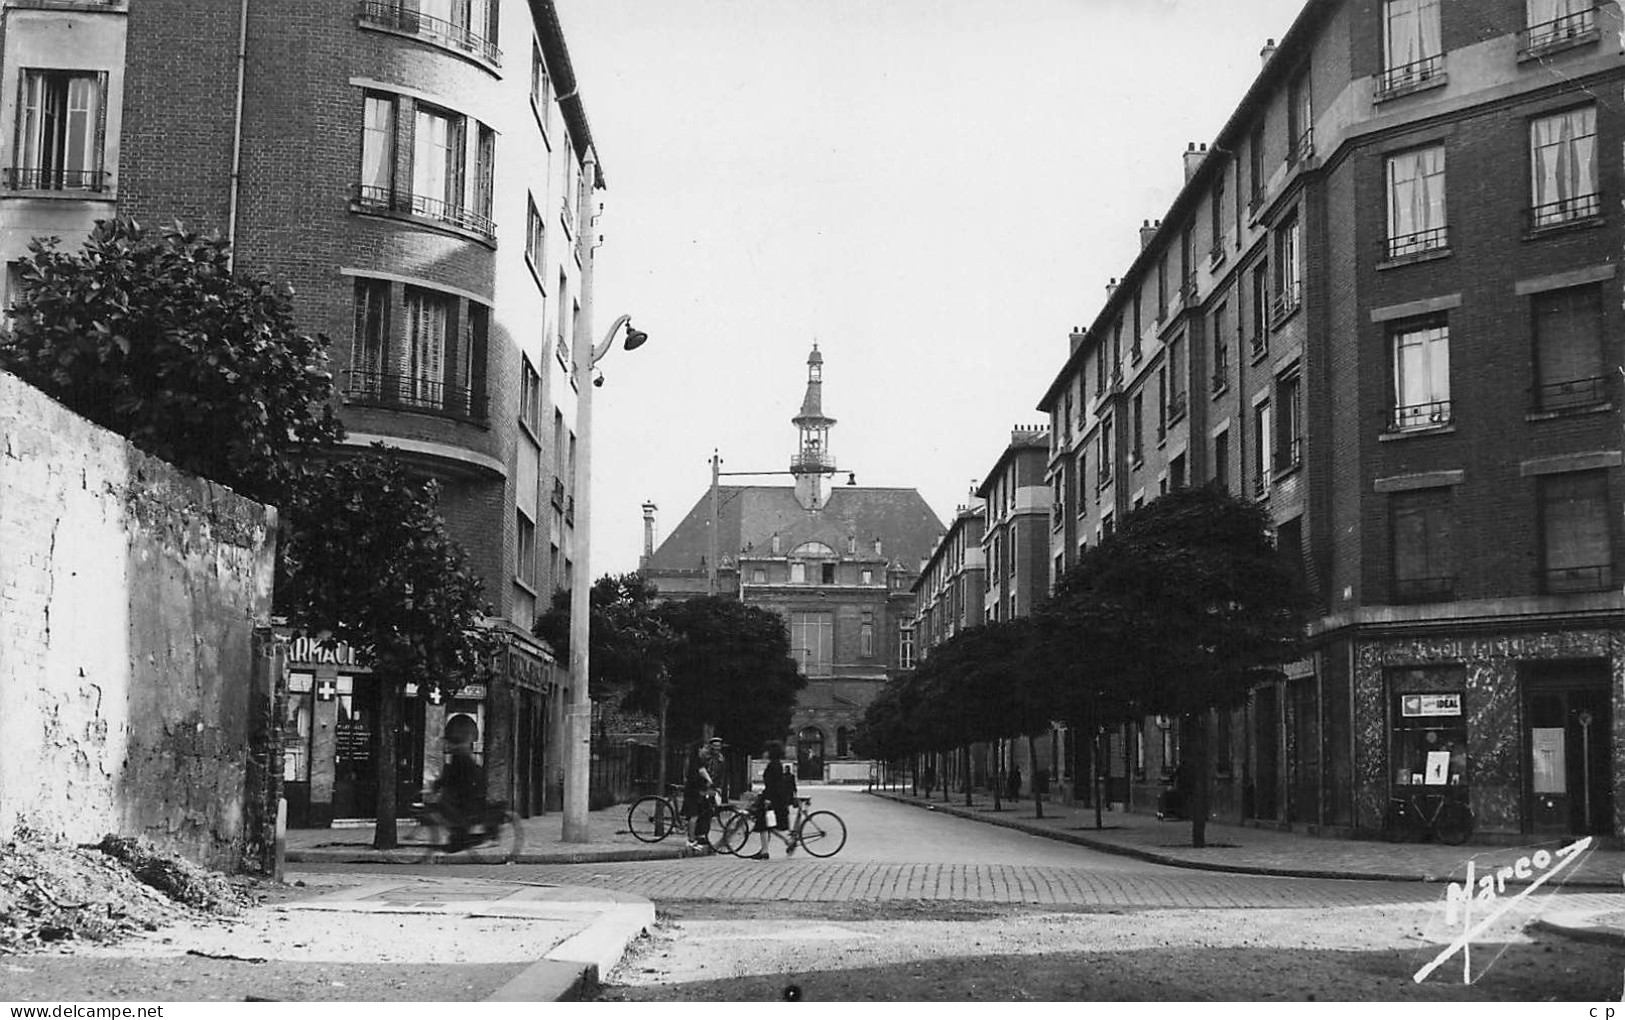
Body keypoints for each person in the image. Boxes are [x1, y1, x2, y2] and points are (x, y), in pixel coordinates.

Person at [434, 725, 486, 852]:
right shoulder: (461, 753)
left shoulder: (459, 755)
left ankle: (459, 836)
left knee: (447, 806)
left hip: (465, 792)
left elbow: (453, 774)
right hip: (466, 790)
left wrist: (438, 784)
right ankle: (458, 835)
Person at [748, 742, 798, 860]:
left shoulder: (774, 765)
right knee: (768, 825)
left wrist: (768, 799)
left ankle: (765, 851)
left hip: (771, 798)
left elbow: (773, 784)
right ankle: (783, 843)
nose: (764, 753)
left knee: (764, 824)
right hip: (773, 797)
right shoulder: (776, 764)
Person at [681, 742, 715, 852]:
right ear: (699, 749)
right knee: (693, 815)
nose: (707, 750)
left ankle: (694, 838)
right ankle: (690, 840)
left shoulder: (698, 760)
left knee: (697, 814)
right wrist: (709, 780)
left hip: (696, 790)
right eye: (705, 748)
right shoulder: (696, 760)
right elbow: (701, 771)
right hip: (692, 791)